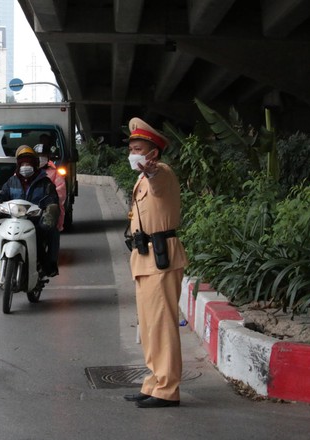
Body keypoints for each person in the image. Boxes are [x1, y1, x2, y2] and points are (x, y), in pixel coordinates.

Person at [122, 118, 188, 408]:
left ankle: (167, 388)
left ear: (153, 154)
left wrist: (151, 173)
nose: (133, 153)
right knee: (149, 327)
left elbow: (159, 185)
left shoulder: (161, 172)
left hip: (162, 258)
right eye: (132, 148)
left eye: (139, 148)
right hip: (145, 258)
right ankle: (154, 382)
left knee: (162, 326)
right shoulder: (141, 177)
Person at [0, 145, 60, 276]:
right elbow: (0, 196)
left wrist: (49, 213)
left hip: (35, 222)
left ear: (35, 164)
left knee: (41, 238)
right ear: (18, 164)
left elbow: (52, 201)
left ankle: (47, 266)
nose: (25, 166)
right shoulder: (11, 182)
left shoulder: (45, 183)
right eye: (22, 163)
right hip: (13, 220)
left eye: (28, 163)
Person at [34, 143, 67, 275]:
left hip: (47, 212)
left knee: (52, 232)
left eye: (43, 155)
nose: (41, 158)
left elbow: (60, 193)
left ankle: (51, 263)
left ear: (48, 157)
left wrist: (48, 205)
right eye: (38, 156)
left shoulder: (54, 174)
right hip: (27, 212)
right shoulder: (24, 172)